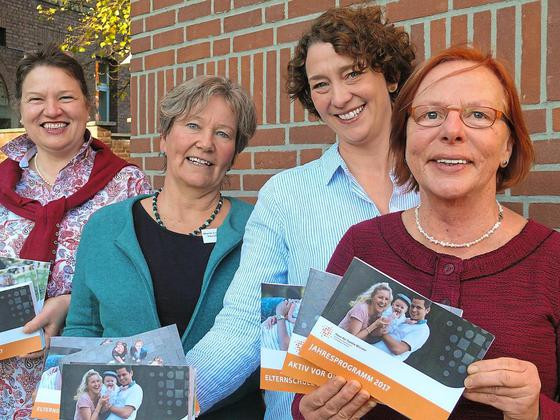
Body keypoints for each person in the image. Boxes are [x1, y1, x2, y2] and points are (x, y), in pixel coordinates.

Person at [293, 46, 559, 419]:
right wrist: (314, 412)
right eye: (430, 114)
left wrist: (536, 411)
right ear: (406, 141)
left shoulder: (553, 261)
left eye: (478, 115)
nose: (452, 131)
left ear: (507, 147)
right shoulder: (361, 243)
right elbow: (306, 393)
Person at [184, 5, 418, 418]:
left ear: (392, 76)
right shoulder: (286, 196)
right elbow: (241, 325)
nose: (339, 97)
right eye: (320, 84)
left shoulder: (440, 185)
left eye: (353, 73)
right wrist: (164, 405)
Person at [64, 75, 263, 418]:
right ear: (164, 137)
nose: (205, 143)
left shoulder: (260, 228)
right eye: (192, 125)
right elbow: (83, 328)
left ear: (234, 152)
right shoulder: (105, 227)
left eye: (223, 133)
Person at [0, 44, 151, 418]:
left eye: (65, 97)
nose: (52, 111)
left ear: (88, 106)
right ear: (21, 108)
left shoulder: (127, 187)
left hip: (86, 379)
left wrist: (71, 303)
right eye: (36, 99)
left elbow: (147, 286)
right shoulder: (2, 184)